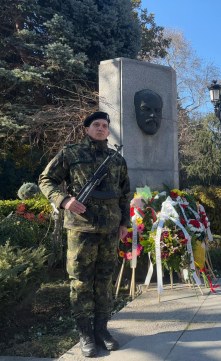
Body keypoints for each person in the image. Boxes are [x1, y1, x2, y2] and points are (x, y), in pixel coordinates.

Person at [39, 111, 130, 357]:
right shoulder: (71, 153)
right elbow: (46, 179)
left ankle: (102, 330)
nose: (101, 128)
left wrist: (125, 223)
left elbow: (125, 194)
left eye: (105, 125)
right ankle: (86, 334)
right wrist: (64, 200)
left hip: (110, 229)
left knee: (104, 281)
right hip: (81, 229)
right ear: (87, 128)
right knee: (80, 282)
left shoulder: (116, 159)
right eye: (96, 125)